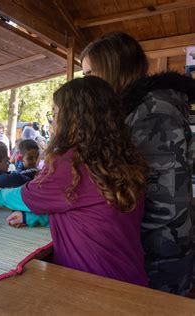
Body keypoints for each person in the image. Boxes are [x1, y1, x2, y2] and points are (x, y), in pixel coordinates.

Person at [0, 77, 149, 286]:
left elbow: (25, 196)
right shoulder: (120, 157)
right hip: (130, 278)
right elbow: (89, 210)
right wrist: (32, 218)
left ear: (73, 119)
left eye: (54, 114)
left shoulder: (71, 163)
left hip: (92, 286)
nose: (52, 122)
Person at [81, 32, 195, 295]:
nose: (86, 84)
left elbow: (164, 199)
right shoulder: (139, 107)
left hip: (159, 250)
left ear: (112, 69)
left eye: (88, 75)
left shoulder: (153, 111)